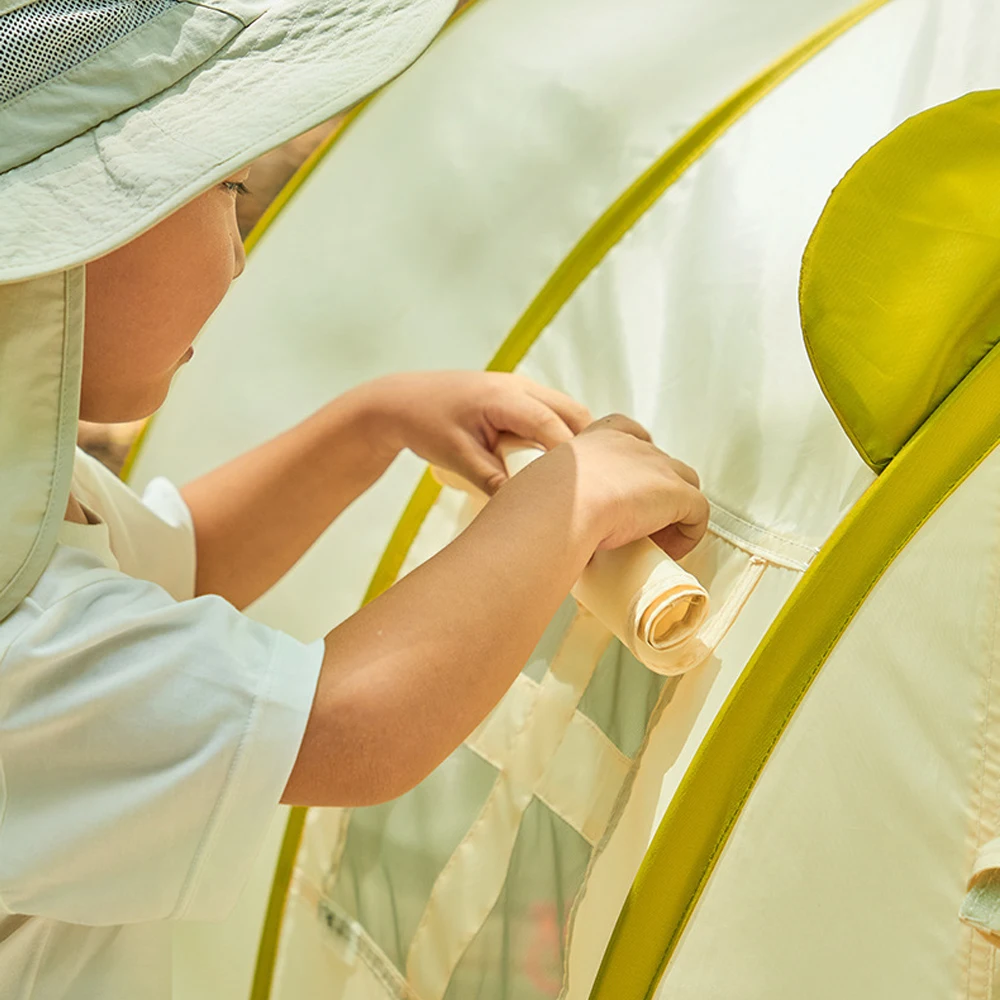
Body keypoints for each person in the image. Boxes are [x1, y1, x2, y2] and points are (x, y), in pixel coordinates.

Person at [0, 0, 709, 996]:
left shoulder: (24, 510)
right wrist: (568, 502)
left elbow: (172, 560)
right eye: (227, 194)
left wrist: (366, 425)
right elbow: (345, 725)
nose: (241, 254)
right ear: (79, 233)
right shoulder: (17, 641)